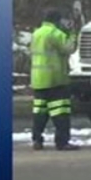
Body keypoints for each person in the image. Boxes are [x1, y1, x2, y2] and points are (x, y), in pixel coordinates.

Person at [30, 9, 79, 151]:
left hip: (38, 79)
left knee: (40, 113)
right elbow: (69, 48)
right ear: (57, 20)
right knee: (60, 113)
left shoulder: (36, 33)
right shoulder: (55, 33)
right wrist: (72, 34)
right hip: (55, 79)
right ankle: (62, 142)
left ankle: (37, 140)